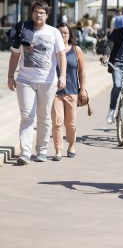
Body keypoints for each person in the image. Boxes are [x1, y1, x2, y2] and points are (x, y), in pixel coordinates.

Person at [7, 0, 66, 165]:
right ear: (31, 13)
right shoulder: (23, 30)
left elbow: (61, 55)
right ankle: (25, 152)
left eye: (41, 12)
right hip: (25, 80)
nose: (38, 15)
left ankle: (41, 150)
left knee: (44, 117)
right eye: (35, 12)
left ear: (46, 15)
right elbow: (14, 55)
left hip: (48, 81)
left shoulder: (54, 32)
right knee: (27, 116)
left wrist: (62, 76)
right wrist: (10, 76)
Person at [51, 23, 87, 161]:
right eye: (60, 33)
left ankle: (71, 145)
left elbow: (82, 71)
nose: (63, 35)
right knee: (57, 122)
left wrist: (82, 89)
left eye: (65, 33)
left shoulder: (76, 50)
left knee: (70, 124)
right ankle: (58, 150)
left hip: (72, 91)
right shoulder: (52, 50)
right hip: (55, 92)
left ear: (69, 35)